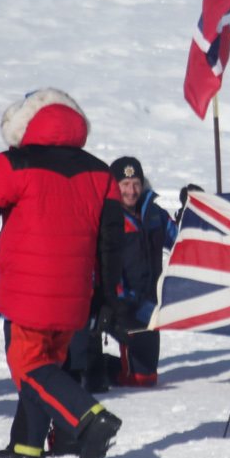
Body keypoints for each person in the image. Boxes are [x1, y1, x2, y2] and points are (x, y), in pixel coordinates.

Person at [0, 89, 125, 458]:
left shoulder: (15, 162)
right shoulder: (102, 173)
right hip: (74, 293)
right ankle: (26, 449)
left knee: (28, 365)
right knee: (46, 367)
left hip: (27, 290)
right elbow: (112, 242)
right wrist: (106, 298)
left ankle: (90, 419)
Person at [67, 156, 174, 389]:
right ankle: (90, 362)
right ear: (114, 186)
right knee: (134, 378)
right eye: (125, 185)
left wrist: (193, 211)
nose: (131, 191)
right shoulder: (104, 216)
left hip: (148, 305)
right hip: (118, 304)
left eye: (136, 183)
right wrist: (101, 301)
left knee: (144, 379)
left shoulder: (155, 214)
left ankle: (106, 364)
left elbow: (180, 238)